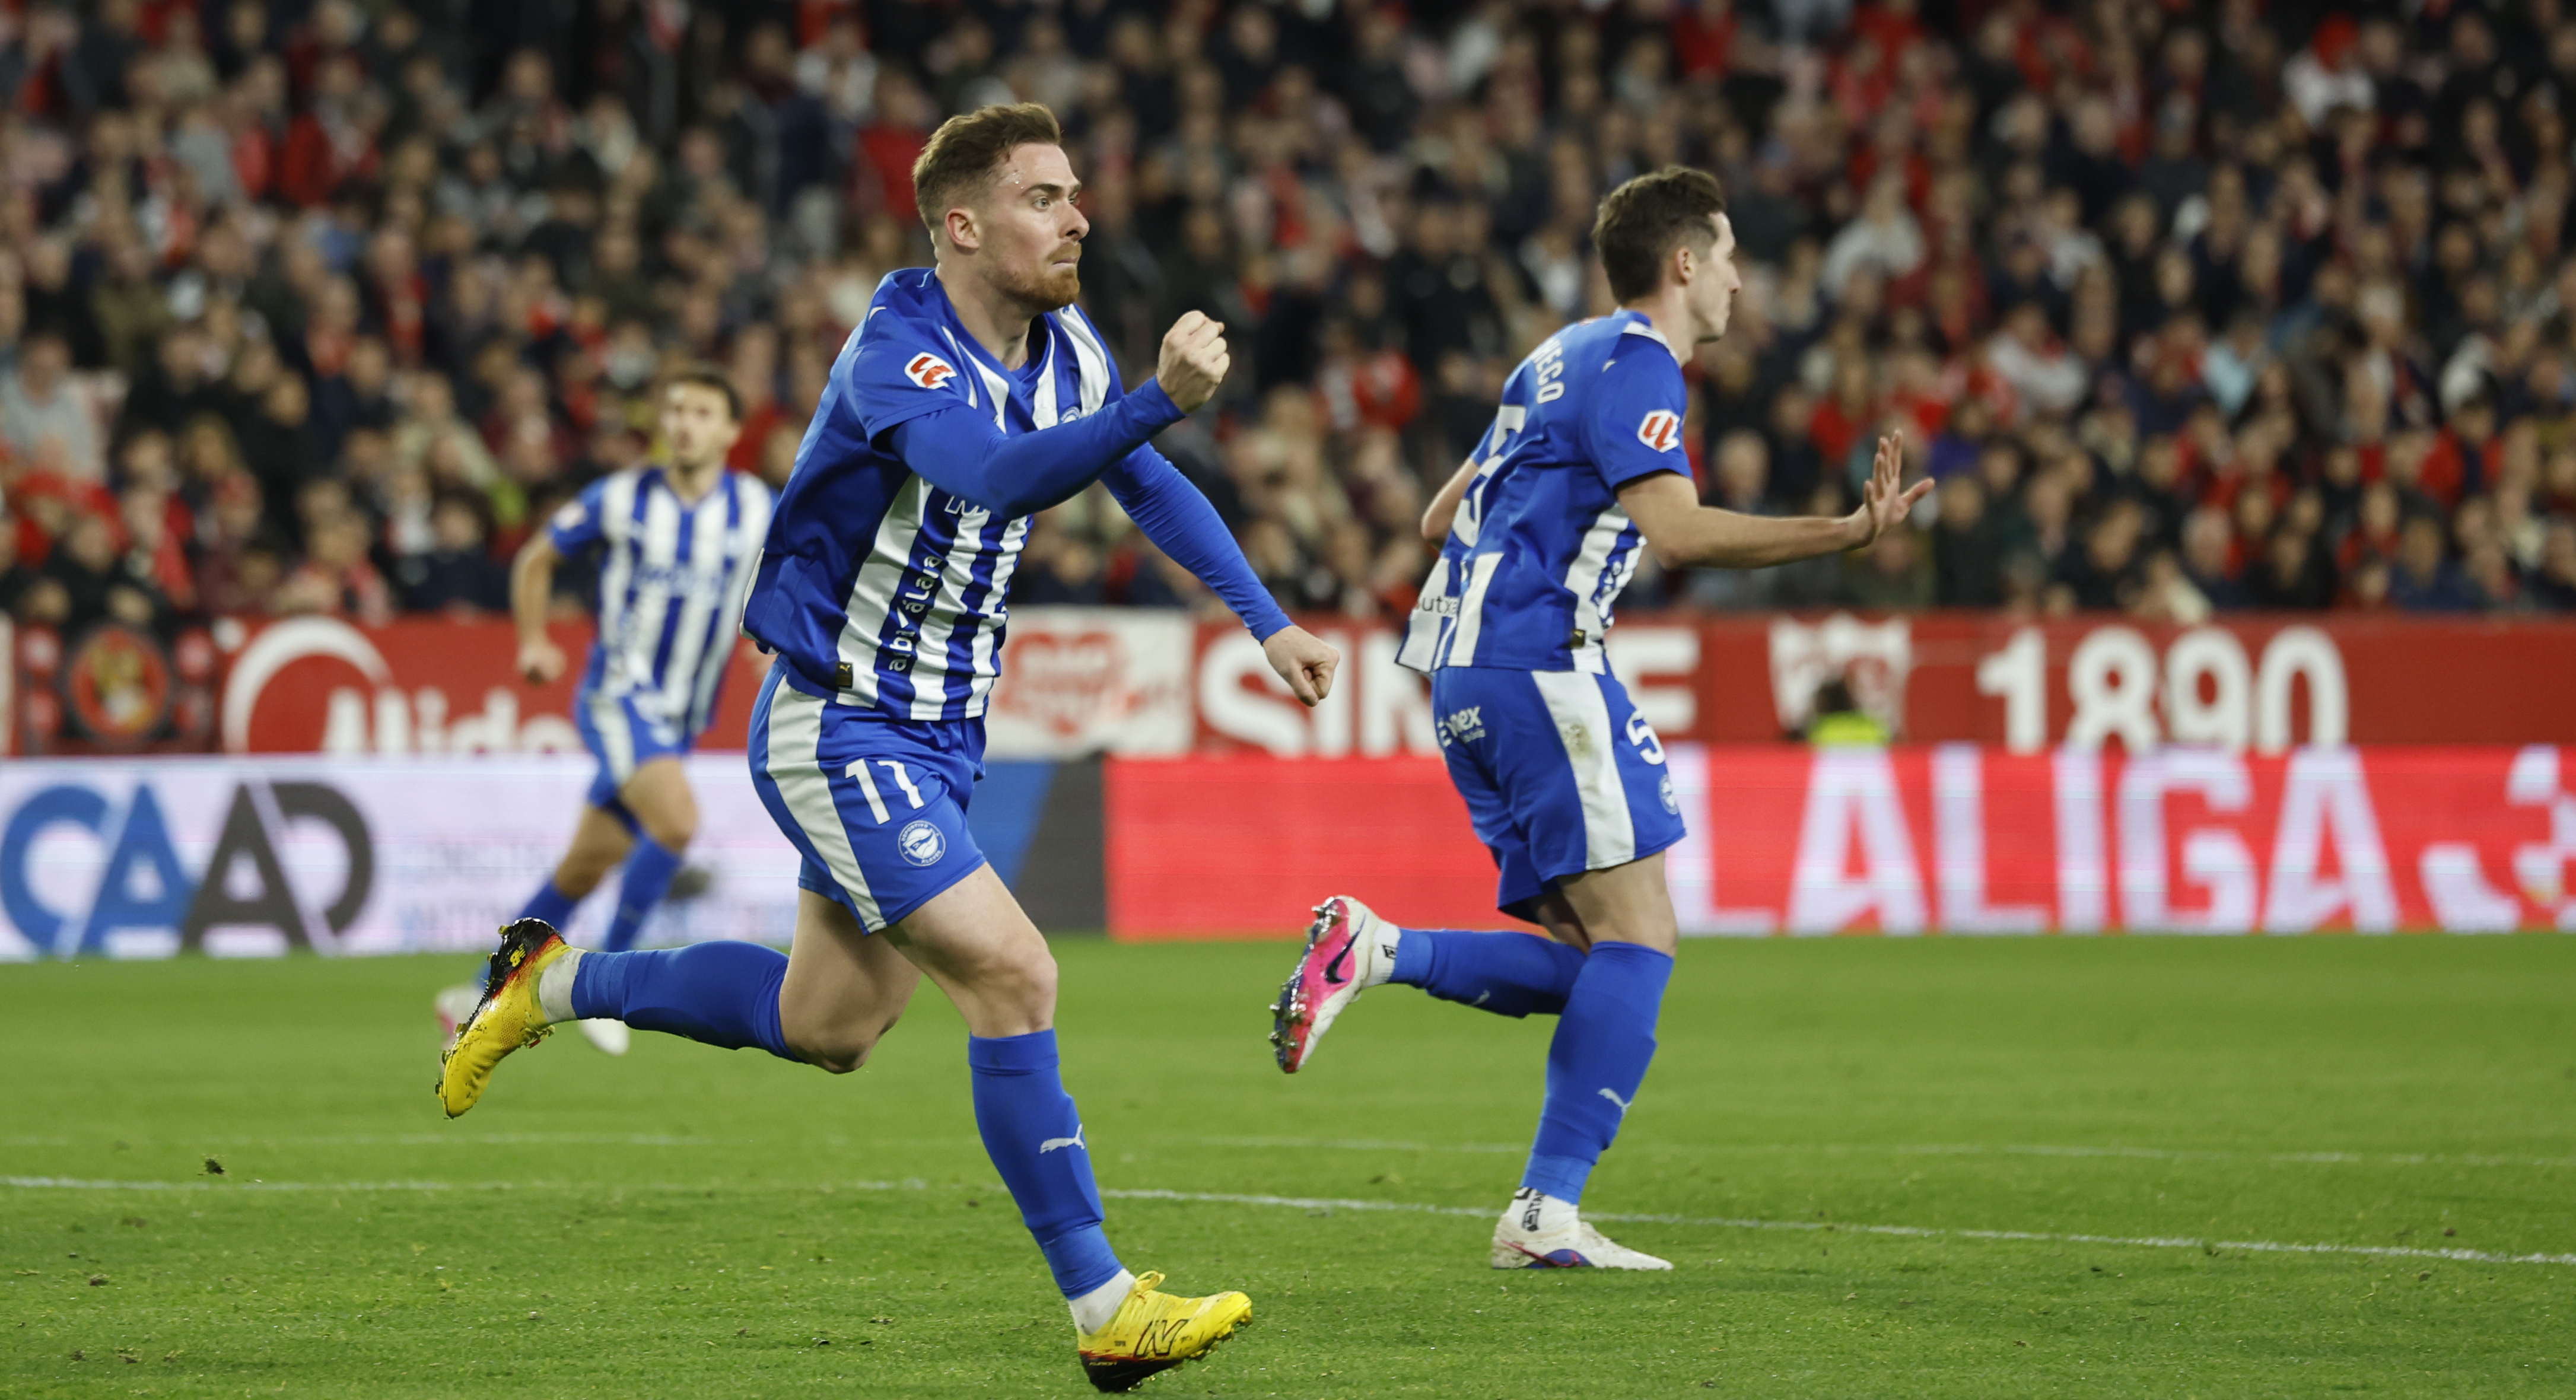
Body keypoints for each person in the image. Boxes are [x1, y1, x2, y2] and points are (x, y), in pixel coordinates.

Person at [436, 103, 1339, 1392]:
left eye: (1075, 191)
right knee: (1015, 978)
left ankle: (550, 985)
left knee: (831, 1024)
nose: (1077, 215)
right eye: (1043, 196)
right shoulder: (899, 354)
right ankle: (1104, 1304)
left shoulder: (1061, 343)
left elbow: (1140, 483)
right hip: (838, 719)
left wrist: (1267, 620)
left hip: (939, 734)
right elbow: (998, 479)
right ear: (962, 224)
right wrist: (1155, 399)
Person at [1270, 166, 1927, 1271]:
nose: (1734, 276)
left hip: (1463, 676)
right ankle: (1543, 1211)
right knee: (1643, 939)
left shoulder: (1554, 354)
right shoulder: (1638, 365)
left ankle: (1378, 950)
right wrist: (1844, 535)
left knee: (1594, 959)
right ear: (1682, 263)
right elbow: (1675, 534)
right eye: (1723, 255)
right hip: (1542, 667)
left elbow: (1444, 513)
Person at [435, 367, 774, 1058]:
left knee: (583, 867)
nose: (684, 422)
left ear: (731, 431)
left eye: (703, 411)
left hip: (681, 714)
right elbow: (536, 558)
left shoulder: (755, 506)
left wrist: (773, 641)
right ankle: (609, 986)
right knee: (678, 822)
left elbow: (781, 582)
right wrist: (532, 640)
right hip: (617, 695)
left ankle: (474, 988)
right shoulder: (620, 498)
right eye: (675, 408)